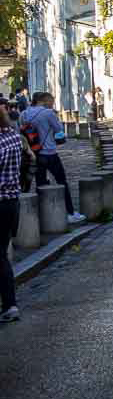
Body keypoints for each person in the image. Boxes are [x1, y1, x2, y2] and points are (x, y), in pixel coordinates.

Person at [21, 92, 84, 226]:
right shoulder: (48, 113)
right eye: (51, 101)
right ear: (44, 101)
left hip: (34, 154)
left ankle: (44, 215)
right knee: (62, 181)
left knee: (40, 184)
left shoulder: (24, 113)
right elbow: (59, 129)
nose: (52, 104)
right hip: (49, 152)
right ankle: (70, 213)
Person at [1, 107, 23, 323]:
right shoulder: (13, 137)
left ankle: (9, 304)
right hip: (11, 203)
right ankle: (10, 304)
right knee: (1, 256)